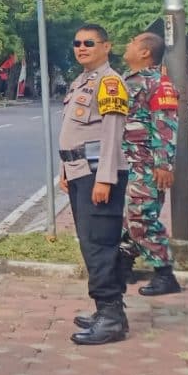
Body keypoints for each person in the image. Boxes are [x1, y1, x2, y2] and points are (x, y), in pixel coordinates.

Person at [58, 24, 129, 346]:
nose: (82, 48)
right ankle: (109, 311)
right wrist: (65, 170)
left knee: (99, 245)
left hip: (97, 174)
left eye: (89, 42)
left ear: (106, 47)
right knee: (92, 243)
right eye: (77, 43)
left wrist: (104, 179)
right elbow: (75, 133)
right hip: (80, 172)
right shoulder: (81, 81)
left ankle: (110, 318)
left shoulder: (110, 82)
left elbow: (112, 134)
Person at [117, 32, 181, 297]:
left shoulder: (159, 84)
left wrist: (163, 164)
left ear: (145, 52)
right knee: (125, 218)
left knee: (141, 216)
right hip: (126, 162)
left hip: (146, 164)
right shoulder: (127, 80)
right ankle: (122, 267)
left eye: (133, 42)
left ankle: (165, 274)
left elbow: (165, 124)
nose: (128, 44)